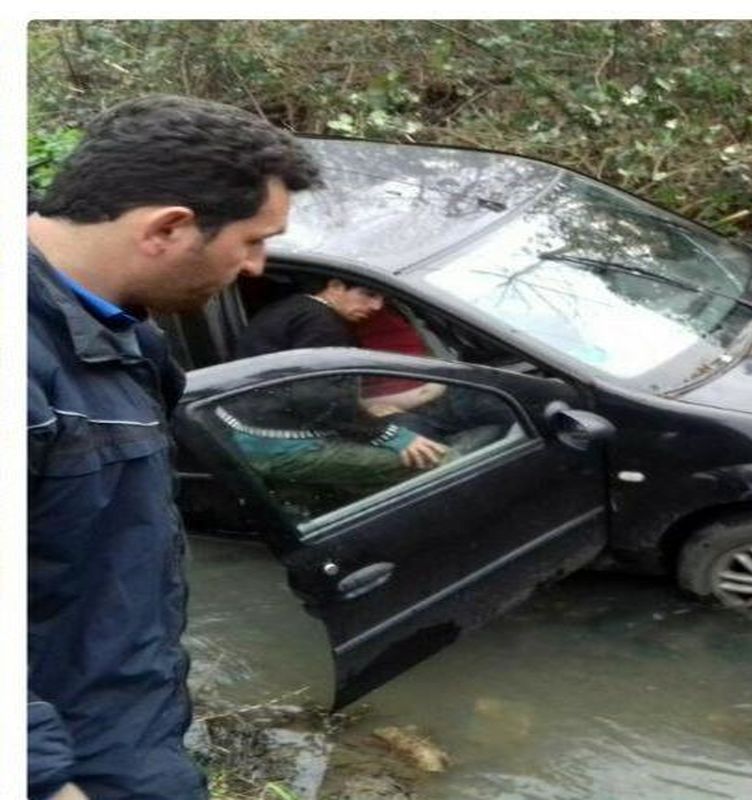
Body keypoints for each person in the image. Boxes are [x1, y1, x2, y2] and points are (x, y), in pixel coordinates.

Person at [27, 95, 320, 800]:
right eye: (253, 240)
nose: (258, 267)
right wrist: (43, 781)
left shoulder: (124, 332)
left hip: (125, 723)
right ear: (168, 227)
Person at [228, 277, 448, 481]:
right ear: (335, 287)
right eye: (368, 294)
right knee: (440, 461)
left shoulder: (292, 309)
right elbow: (319, 398)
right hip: (286, 447)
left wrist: (361, 411)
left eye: (382, 299)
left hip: (248, 435)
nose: (377, 307)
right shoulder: (324, 325)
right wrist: (393, 436)